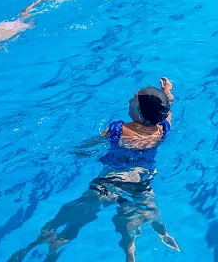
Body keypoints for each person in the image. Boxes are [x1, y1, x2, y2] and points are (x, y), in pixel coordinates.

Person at [11, 78, 179, 262]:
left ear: (138, 113)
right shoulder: (161, 130)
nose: (129, 101)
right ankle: (130, 253)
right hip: (142, 181)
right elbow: (167, 114)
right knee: (129, 223)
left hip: (111, 181)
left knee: (74, 214)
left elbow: (87, 147)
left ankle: (46, 241)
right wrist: (168, 94)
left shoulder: (117, 129)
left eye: (133, 100)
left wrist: (74, 151)